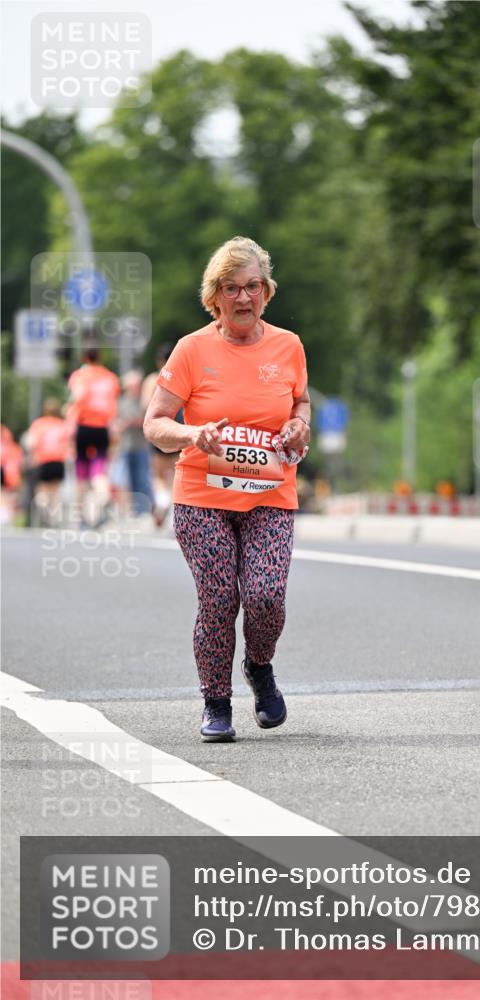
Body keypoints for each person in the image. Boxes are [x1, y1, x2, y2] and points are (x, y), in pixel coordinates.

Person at [143, 236, 310, 742]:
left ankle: (259, 665)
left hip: (270, 496)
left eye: (253, 286)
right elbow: (154, 423)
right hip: (202, 498)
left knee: (265, 596)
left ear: (267, 292)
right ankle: (216, 703)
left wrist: (301, 425)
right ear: (214, 296)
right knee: (219, 597)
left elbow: (300, 404)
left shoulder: (288, 345)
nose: (244, 298)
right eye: (232, 288)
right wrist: (192, 433)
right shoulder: (192, 350)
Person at [66, 345, 121, 525]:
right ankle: (103, 497)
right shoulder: (110, 377)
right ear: (99, 358)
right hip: (102, 428)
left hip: (83, 426)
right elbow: (113, 405)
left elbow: (78, 396)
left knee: (81, 472)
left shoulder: (80, 376)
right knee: (99, 469)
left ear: (84, 358)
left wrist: (69, 410)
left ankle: (79, 516)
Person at [141, 343, 184, 526]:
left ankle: (162, 501)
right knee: (176, 472)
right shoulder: (183, 377)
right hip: (180, 427)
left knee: (158, 474)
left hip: (161, 429)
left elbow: (145, 405)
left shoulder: (153, 380)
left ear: (159, 361)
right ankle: (175, 511)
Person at [25, 398, 73, 525]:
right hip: (59, 462)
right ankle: (54, 517)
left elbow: (31, 443)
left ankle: (44, 512)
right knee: (55, 492)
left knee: (42, 490)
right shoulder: (62, 425)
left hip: (43, 460)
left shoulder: (39, 424)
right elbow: (69, 445)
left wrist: (31, 455)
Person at [115, 370, 154, 516]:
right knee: (128, 479)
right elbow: (116, 421)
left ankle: (144, 509)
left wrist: (133, 422)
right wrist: (121, 424)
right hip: (126, 446)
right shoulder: (122, 401)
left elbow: (147, 420)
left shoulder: (144, 400)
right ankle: (134, 508)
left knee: (142, 478)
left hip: (141, 445)